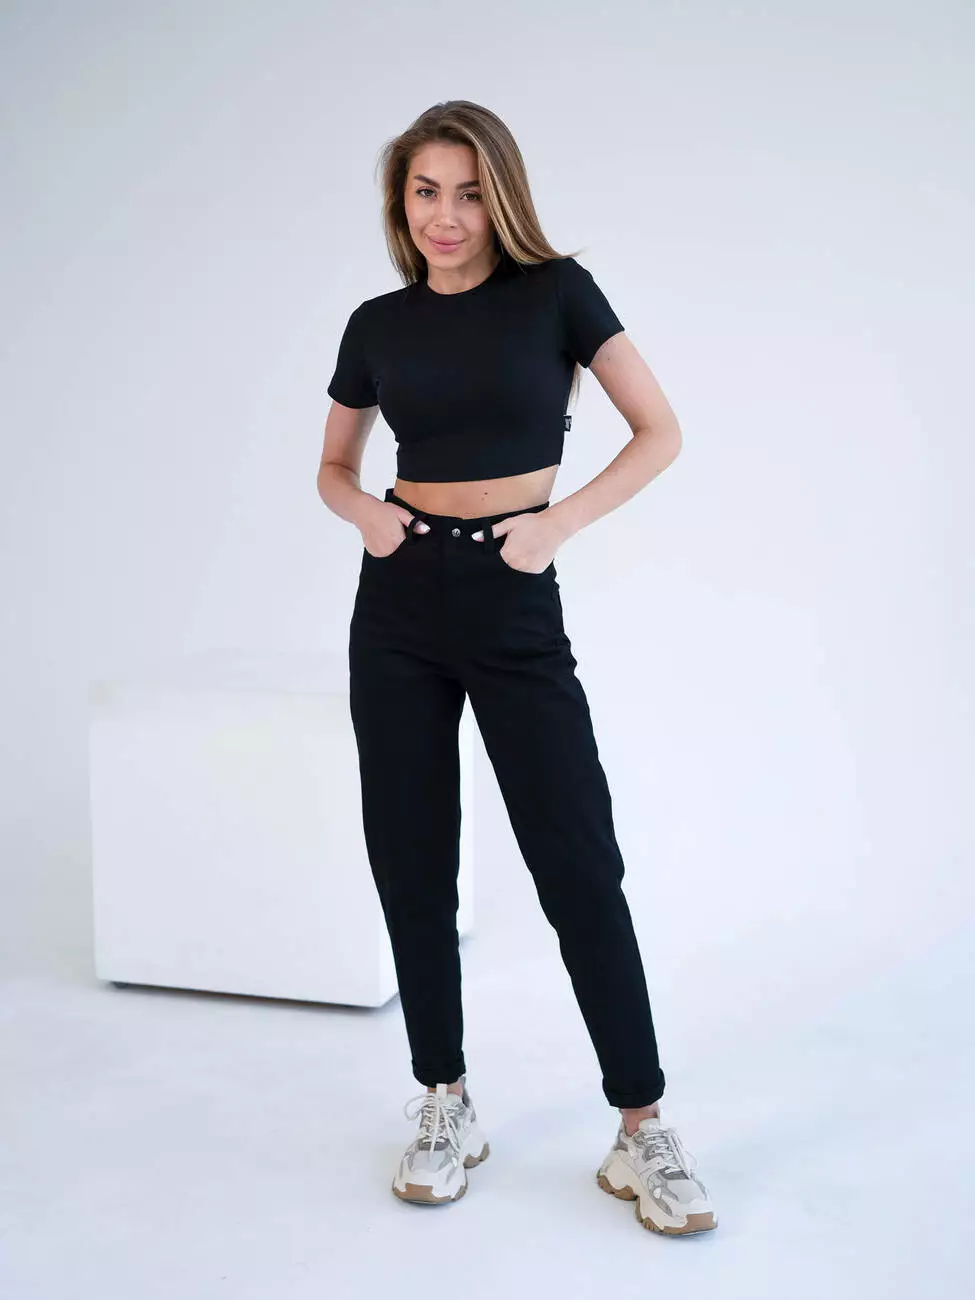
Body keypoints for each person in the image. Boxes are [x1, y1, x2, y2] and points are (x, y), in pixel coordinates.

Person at [317, 100, 718, 1235]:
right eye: (424, 192)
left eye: (467, 191)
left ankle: (640, 1128)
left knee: (577, 858)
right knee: (410, 855)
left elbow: (658, 430)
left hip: (512, 589)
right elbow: (333, 466)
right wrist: (367, 517)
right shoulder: (375, 323)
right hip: (398, 600)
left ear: (501, 196)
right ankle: (444, 1100)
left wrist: (555, 526)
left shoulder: (558, 295)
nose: (444, 215)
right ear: (401, 202)